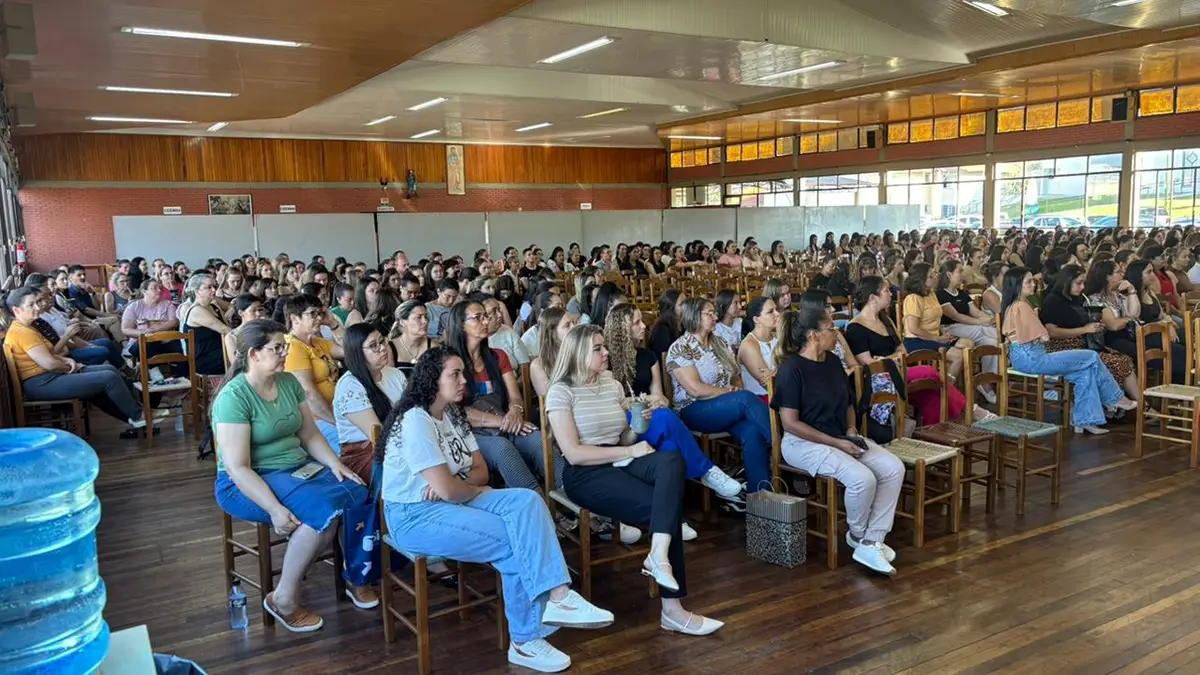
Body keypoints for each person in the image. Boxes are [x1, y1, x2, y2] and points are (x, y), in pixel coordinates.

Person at [379, 346, 613, 672]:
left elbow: (479, 472)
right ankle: (525, 641)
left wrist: (456, 484)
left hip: (456, 498)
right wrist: (454, 486)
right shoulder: (416, 420)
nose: (465, 381)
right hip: (414, 515)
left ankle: (560, 597)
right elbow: (448, 488)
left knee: (528, 500)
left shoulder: (453, 415)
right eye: (455, 375)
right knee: (511, 541)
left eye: (464, 373)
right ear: (433, 379)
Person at [546, 324, 724, 636]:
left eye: (604, 346)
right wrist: (629, 447)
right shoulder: (561, 391)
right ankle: (673, 610)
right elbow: (573, 454)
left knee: (671, 459)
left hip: (620, 456)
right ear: (577, 354)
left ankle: (658, 556)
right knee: (663, 508)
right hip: (586, 472)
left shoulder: (612, 384)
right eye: (598, 349)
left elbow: (624, 434)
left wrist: (638, 423)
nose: (606, 353)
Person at [212, 319, 373, 631]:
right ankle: (283, 598)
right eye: (277, 348)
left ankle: (355, 573)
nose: (285, 353)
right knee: (322, 513)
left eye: (284, 346)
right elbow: (237, 467)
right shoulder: (234, 396)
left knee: (356, 490)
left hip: (297, 469)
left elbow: (310, 435)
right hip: (247, 480)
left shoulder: (287, 383)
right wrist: (274, 509)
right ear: (253, 354)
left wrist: (336, 465)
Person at [772, 306, 903, 576]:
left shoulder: (832, 362)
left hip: (840, 436)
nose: (836, 333)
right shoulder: (791, 369)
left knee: (893, 467)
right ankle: (857, 536)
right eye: (831, 329)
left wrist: (852, 430)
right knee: (862, 478)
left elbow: (847, 404)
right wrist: (835, 443)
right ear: (813, 335)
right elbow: (790, 423)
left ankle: (872, 539)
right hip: (802, 443)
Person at [604, 304, 743, 502]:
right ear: (621, 330)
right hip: (623, 424)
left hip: (650, 417)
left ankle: (670, 513)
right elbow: (610, 402)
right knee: (666, 418)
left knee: (669, 442)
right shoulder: (606, 360)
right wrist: (642, 401)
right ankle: (708, 471)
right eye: (636, 323)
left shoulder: (648, 356)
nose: (644, 326)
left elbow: (660, 396)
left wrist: (656, 401)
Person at [5, 287, 162, 439]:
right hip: (42, 382)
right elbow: (50, 364)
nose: (38, 307)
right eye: (31, 304)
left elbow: (50, 354)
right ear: (16, 310)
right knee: (108, 377)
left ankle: (135, 418)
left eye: (37, 302)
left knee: (109, 369)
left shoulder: (29, 327)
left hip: (49, 375)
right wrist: (71, 366)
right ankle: (139, 415)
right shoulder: (22, 333)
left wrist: (66, 359)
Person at [1001, 267, 1137, 435]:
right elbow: (1044, 336)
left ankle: (1084, 420)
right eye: (1028, 281)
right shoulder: (1021, 305)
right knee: (1092, 357)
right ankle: (1115, 398)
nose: (1033, 284)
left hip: (1026, 357)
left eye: (1032, 280)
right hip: (1033, 358)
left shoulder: (1015, 305)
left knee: (1085, 372)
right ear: (1016, 285)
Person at [443, 300, 559, 492]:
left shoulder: (497, 356)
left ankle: (569, 497)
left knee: (537, 438)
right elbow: (456, 411)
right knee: (501, 448)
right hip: (468, 432)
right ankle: (538, 504)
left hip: (505, 422)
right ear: (460, 324)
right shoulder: (449, 362)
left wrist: (515, 411)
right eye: (477, 317)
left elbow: (515, 396)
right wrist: (503, 421)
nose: (485, 321)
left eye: (485, 316)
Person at [667, 298, 773, 494]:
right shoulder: (680, 347)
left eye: (714, 312)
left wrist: (735, 389)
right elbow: (695, 390)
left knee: (752, 432)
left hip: (726, 406)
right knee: (745, 399)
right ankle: (782, 448)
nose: (715, 316)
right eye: (709, 313)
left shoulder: (720, 342)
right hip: (694, 409)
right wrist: (731, 392)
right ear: (694, 317)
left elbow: (736, 376)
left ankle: (761, 497)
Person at [847, 276, 976, 426]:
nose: (891, 293)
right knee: (929, 372)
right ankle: (971, 409)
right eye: (885, 290)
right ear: (872, 297)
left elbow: (903, 350)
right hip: (879, 378)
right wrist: (894, 358)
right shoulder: (855, 327)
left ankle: (933, 436)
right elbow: (869, 363)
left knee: (935, 398)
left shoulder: (886, 320)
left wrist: (889, 357)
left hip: (899, 369)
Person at [1040, 265, 1138, 401]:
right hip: (1062, 348)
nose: (1082, 287)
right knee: (1115, 362)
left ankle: (1135, 405)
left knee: (1124, 360)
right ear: (1067, 281)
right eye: (1079, 283)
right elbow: (1051, 332)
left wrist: (1096, 327)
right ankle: (1118, 403)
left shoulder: (1078, 299)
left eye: (1084, 283)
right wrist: (1085, 329)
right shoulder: (1054, 301)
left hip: (1082, 345)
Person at [333, 324, 407, 482]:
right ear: (358, 353)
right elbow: (377, 435)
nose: (382, 348)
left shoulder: (395, 374)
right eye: (374, 346)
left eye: (382, 341)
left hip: (400, 443)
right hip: (366, 454)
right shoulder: (349, 385)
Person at [282, 294, 345, 450]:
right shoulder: (294, 347)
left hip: (336, 413)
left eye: (320, 313)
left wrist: (333, 324)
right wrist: (337, 424)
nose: (318, 318)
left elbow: (350, 350)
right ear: (295, 319)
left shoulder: (316, 342)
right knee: (354, 447)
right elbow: (308, 393)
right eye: (312, 313)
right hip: (315, 420)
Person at [936, 260, 999, 401]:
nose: (962, 274)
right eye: (959, 271)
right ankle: (1006, 339)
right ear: (949, 274)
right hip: (950, 329)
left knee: (992, 343)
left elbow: (976, 312)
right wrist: (982, 322)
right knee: (983, 330)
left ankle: (985, 383)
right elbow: (955, 316)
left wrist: (989, 319)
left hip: (968, 328)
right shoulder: (941, 294)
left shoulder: (962, 294)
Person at [1121, 259, 1188, 384]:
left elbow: (1162, 315)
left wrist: (1169, 324)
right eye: (1149, 272)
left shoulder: (1149, 291)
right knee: (1180, 351)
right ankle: (1180, 383)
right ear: (1138, 275)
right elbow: (1136, 321)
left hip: (1161, 329)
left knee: (1188, 338)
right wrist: (1164, 326)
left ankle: (1189, 378)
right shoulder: (1127, 295)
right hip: (1145, 334)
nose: (1153, 275)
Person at [901, 263, 967, 383]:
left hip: (933, 336)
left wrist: (943, 336)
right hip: (916, 340)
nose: (936, 277)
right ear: (921, 279)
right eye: (931, 276)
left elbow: (936, 319)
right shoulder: (913, 298)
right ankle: (946, 389)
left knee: (968, 344)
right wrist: (937, 338)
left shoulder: (931, 294)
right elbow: (913, 328)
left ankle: (949, 380)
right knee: (958, 356)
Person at [179, 274, 231, 381]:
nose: (213, 290)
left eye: (214, 286)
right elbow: (225, 330)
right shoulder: (196, 310)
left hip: (219, 352)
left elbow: (228, 328)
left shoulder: (214, 306)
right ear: (197, 291)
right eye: (209, 287)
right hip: (204, 359)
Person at [737, 297, 778, 404]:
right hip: (759, 399)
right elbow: (767, 383)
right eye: (770, 312)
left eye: (776, 309)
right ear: (756, 319)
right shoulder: (749, 345)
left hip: (780, 392)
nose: (777, 314)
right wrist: (782, 372)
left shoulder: (778, 338)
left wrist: (776, 373)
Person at [482, 295, 532, 367]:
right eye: (493, 311)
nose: (499, 315)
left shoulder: (507, 331)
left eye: (499, 309)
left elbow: (524, 362)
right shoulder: (477, 340)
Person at [388, 300, 432, 378]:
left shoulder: (432, 346)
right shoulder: (390, 348)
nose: (425, 321)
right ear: (402, 322)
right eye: (419, 317)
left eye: (426, 317)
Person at [225, 294, 268, 368]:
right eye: (253, 310)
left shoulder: (266, 330)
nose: (258, 314)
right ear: (241, 313)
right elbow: (236, 365)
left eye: (259, 310)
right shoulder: (232, 337)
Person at [648, 289, 684, 356]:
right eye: (681, 304)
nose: (686, 306)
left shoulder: (684, 325)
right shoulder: (661, 331)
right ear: (670, 308)